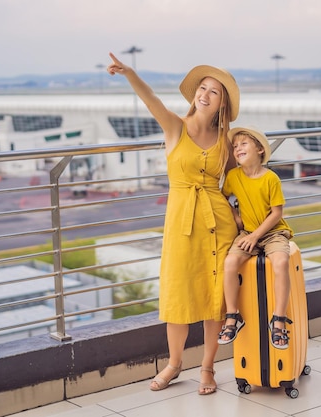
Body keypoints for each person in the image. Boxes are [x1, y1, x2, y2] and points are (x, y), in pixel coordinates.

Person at [107, 53, 240, 395]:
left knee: (215, 302)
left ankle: (208, 369)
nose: (205, 94)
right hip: (181, 224)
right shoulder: (175, 126)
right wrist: (130, 74)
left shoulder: (227, 140)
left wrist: (247, 222)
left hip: (219, 225)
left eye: (214, 92)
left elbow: (239, 184)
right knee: (178, 297)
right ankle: (174, 364)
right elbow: (151, 100)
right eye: (203, 88)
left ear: (222, 103)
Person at [218, 127, 295, 349]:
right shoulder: (233, 177)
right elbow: (223, 197)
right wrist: (236, 218)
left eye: (243, 144)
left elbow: (277, 213)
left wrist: (255, 236)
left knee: (281, 262)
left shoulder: (271, 178)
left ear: (260, 149)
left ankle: (278, 319)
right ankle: (233, 315)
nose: (237, 148)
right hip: (247, 232)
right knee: (230, 263)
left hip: (273, 232)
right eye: (235, 146)